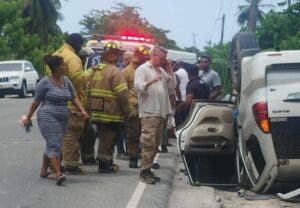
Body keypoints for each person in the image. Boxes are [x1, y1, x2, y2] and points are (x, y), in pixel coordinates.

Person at [22, 55, 88, 185]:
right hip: (47, 116)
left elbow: (74, 97)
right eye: (63, 65)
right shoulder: (44, 83)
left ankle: (43, 170)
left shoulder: (66, 81)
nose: (65, 67)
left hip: (63, 118)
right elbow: (36, 102)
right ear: (56, 68)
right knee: (55, 144)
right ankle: (58, 173)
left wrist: (82, 110)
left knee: (53, 143)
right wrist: (28, 117)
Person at [88, 41, 132, 173]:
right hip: (111, 112)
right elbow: (122, 94)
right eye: (118, 54)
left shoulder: (95, 69)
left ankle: (104, 162)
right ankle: (105, 165)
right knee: (108, 139)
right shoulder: (115, 72)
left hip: (96, 110)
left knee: (103, 138)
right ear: (113, 56)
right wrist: (128, 110)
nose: (119, 57)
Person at [48, 33, 88, 175]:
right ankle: (70, 165)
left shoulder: (56, 54)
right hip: (70, 105)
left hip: (54, 103)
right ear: (77, 44)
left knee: (57, 136)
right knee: (71, 135)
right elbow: (78, 82)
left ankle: (54, 165)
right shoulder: (73, 58)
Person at [134, 46, 175, 184]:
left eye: (165, 59)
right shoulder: (143, 69)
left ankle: (149, 169)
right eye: (161, 58)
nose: (163, 61)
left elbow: (172, 86)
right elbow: (138, 86)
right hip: (149, 111)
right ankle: (144, 171)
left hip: (160, 112)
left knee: (155, 143)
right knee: (148, 142)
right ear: (154, 55)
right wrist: (152, 81)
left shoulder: (161, 70)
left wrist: (169, 69)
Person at [122, 45, 151, 168]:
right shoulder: (127, 72)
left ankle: (146, 159)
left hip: (147, 106)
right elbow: (123, 91)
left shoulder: (148, 69)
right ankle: (133, 157)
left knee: (148, 135)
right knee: (133, 134)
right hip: (134, 107)